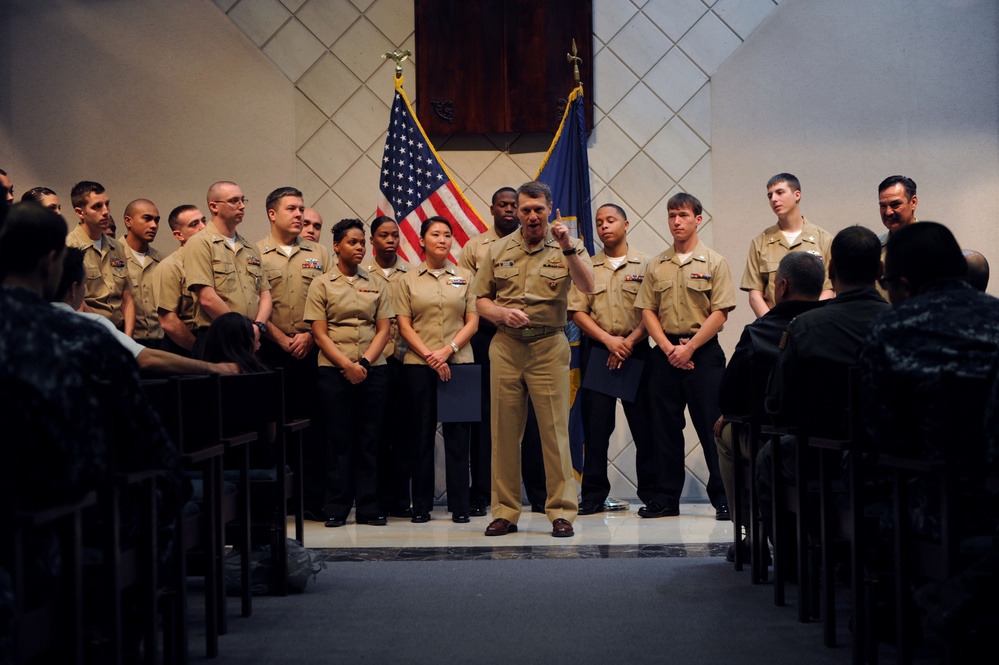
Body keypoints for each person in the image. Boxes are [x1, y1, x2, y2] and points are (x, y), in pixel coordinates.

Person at [472, 180, 596, 538]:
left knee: (555, 433)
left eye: (537, 209)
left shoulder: (568, 246)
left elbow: (588, 287)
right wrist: (499, 313)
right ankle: (505, 512)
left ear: (549, 209)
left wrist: (568, 246)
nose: (529, 216)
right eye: (524, 209)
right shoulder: (496, 250)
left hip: (548, 347)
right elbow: (479, 299)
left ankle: (560, 512)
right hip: (506, 347)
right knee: (504, 434)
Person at [757, 225, 889, 542]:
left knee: (767, 457)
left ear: (830, 269)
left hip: (817, 455)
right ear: (880, 269)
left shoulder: (804, 327)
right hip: (886, 459)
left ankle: (793, 560)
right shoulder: (899, 322)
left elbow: (778, 404)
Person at [713, 252, 825, 560]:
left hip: (773, 444)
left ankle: (752, 536)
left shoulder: (760, 331)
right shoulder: (833, 327)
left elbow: (728, 397)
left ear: (783, 287)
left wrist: (730, 415)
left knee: (725, 433)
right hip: (835, 445)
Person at [635, 192, 735, 519]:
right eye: (671, 216)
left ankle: (724, 497)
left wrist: (689, 348)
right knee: (663, 429)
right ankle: (666, 498)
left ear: (697, 219)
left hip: (703, 354)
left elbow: (720, 312)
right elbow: (647, 310)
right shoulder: (656, 264)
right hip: (664, 354)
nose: (676, 222)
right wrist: (668, 348)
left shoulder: (715, 262)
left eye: (683, 215)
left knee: (712, 428)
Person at [460, 186, 548, 516]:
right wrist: (500, 315)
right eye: (503, 205)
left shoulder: (541, 244)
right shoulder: (475, 247)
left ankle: (539, 493)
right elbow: (470, 295)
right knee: (488, 418)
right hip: (488, 338)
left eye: (516, 205)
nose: (510, 210)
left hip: (535, 339)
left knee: (539, 418)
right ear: (493, 209)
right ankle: (483, 492)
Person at [305, 218, 393, 527]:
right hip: (334, 371)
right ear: (337, 246)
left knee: (370, 440)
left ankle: (369, 506)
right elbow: (319, 332)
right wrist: (347, 365)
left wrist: (365, 364)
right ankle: (337, 507)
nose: (359, 248)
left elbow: (383, 328)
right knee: (338, 440)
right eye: (352, 242)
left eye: (361, 243)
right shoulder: (322, 283)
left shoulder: (376, 282)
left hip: (373, 370)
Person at [567, 203, 652, 515]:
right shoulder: (587, 266)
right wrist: (608, 341)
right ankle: (593, 496)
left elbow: (653, 311)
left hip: (636, 349)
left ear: (626, 224)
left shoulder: (646, 264)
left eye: (611, 220)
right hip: (601, 350)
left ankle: (653, 494)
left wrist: (627, 342)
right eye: (599, 222)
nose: (604, 226)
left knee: (645, 427)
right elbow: (577, 311)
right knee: (596, 428)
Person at [396, 216, 479, 523]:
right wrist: (431, 355)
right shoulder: (408, 279)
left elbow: (472, 321)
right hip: (419, 365)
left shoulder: (465, 277)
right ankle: (421, 506)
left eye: (447, 235)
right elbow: (404, 325)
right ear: (421, 240)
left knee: (459, 439)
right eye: (435, 234)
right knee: (420, 437)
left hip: (459, 364)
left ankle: (460, 506)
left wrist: (448, 351)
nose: (442, 240)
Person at [255, 187, 331, 519]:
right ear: (273, 214)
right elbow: (253, 303)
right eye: (292, 209)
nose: (299, 215)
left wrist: (309, 337)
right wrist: (280, 339)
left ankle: (311, 499)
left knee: (313, 427)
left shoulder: (320, 253)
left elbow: (331, 302)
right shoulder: (254, 253)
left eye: (301, 209)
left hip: (311, 349)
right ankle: (276, 500)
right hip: (270, 350)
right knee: (272, 427)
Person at [55, 247, 238, 376]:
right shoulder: (90, 324)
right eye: (85, 285)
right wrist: (214, 368)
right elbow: (147, 359)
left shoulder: (26, 321)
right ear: (73, 289)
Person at [183, 181, 272, 357]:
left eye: (242, 200)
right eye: (234, 201)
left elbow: (265, 293)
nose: (242, 206)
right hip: (218, 337)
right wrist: (242, 330)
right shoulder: (200, 243)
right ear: (214, 207)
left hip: (252, 338)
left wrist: (258, 327)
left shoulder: (250, 247)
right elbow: (207, 298)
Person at [364, 215, 414, 517]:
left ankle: (399, 500)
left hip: (404, 360)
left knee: (404, 434)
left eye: (395, 235)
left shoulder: (410, 273)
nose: (391, 240)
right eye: (384, 235)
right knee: (376, 434)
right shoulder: (362, 273)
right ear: (372, 240)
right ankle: (376, 500)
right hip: (375, 362)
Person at [741, 173, 834, 318]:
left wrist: (807, 322)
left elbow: (828, 290)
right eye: (770, 196)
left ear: (797, 195)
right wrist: (771, 325)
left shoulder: (823, 240)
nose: (774, 199)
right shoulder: (760, 242)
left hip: (812, 327)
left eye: (780, 192)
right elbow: (755, 295)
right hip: (773, 330)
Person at [66, 180, 135, 334]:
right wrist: (106, 333)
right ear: (80, 212)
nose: (105, 211)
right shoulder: (69, 247)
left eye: (107, 204)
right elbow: (76, 301)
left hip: (120, 330)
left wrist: (128, 338)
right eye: (97, 206)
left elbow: (127, 297)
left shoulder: (117, 247)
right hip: (90, 330)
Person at [153, 205, 206, 355]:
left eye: (203, 221)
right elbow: (168, 322)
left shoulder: (211, 262)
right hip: (184, 347)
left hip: (211, 342)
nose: (203, 228)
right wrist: (200, 352)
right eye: (194, 224)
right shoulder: (170, 267)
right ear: (179, 235)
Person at [121, 199, 164, 348]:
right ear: (128, 221)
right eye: (147, 219)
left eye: (156, 221)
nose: (153, 225)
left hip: (161, 342)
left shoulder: (162, 261)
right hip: (128, 341)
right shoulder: (113, 256)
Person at [201, 312, 270, 374]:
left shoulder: (201, 377)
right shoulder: (260, 376)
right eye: (254, 339)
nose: (259, 345)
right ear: (243, 342)